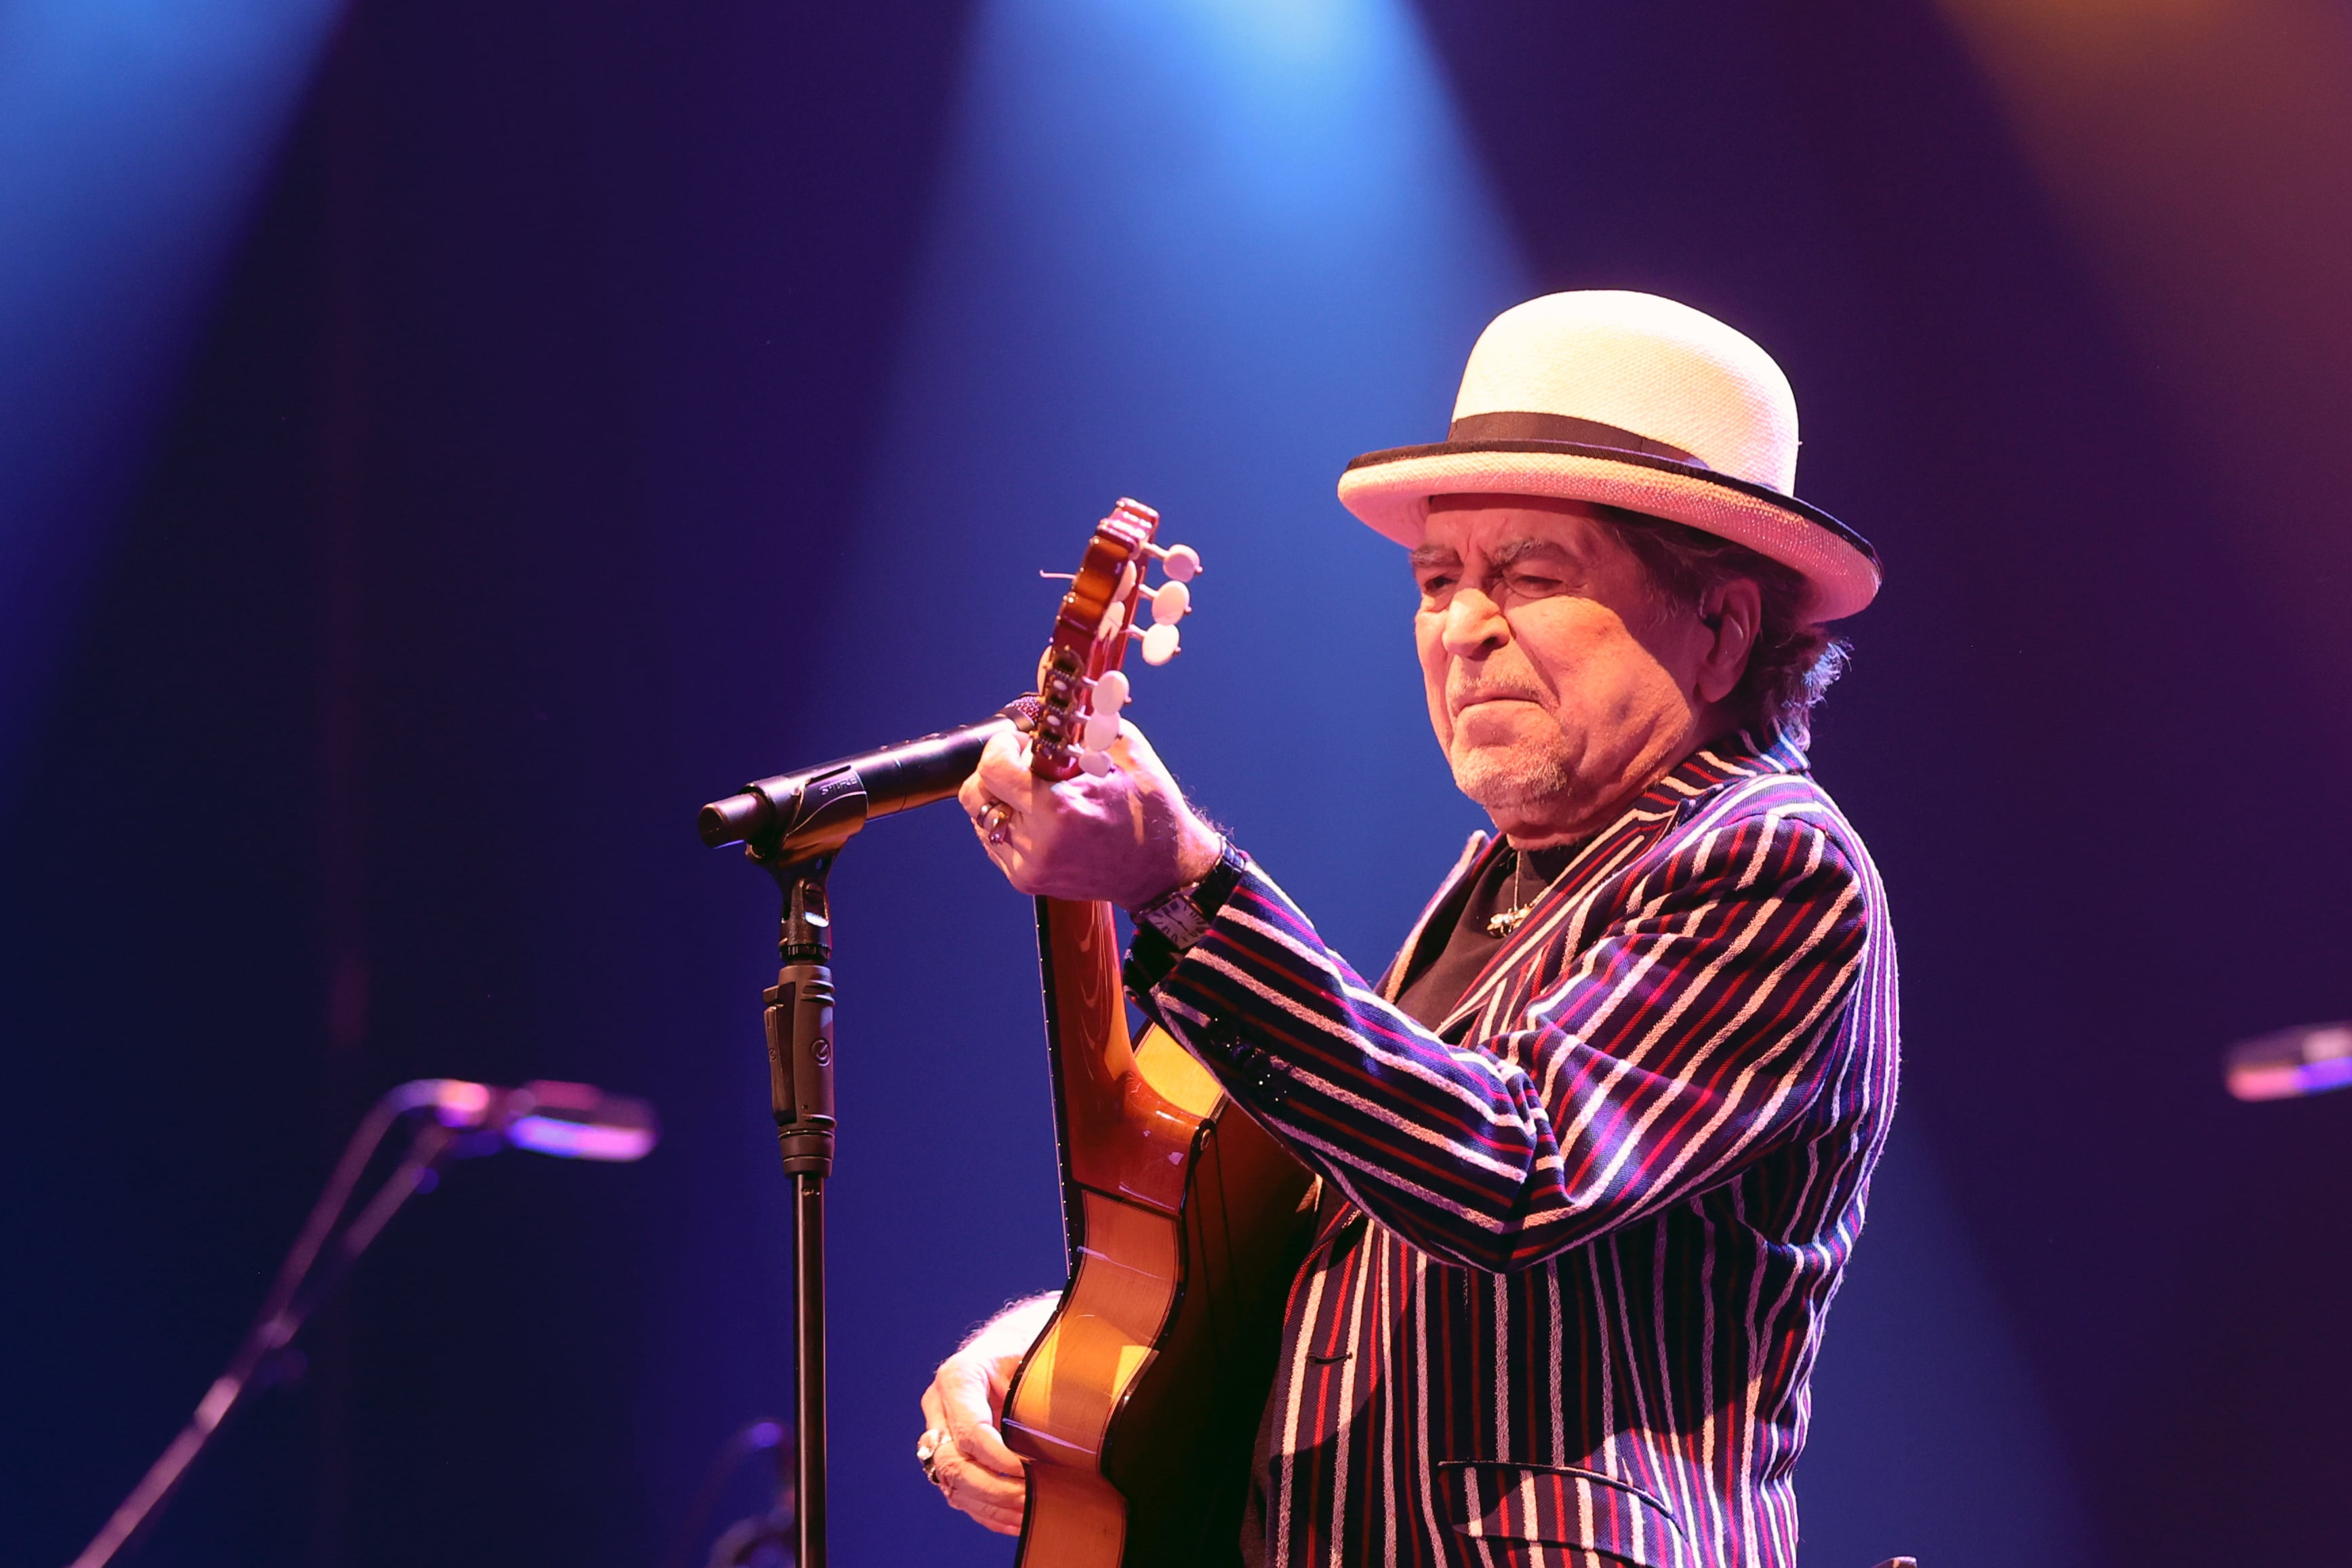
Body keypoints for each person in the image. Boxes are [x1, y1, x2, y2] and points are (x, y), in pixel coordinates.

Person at [922, 291, 1899, 1567]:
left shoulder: (1767, 858)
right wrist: (1072, 1360)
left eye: (1531, 576)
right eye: (1437, 579)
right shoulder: (1494, 888)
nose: (1462, 624)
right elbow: (1330, 1256)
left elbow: (1514, 1175)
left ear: (1718, 629)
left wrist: (1186, 881)